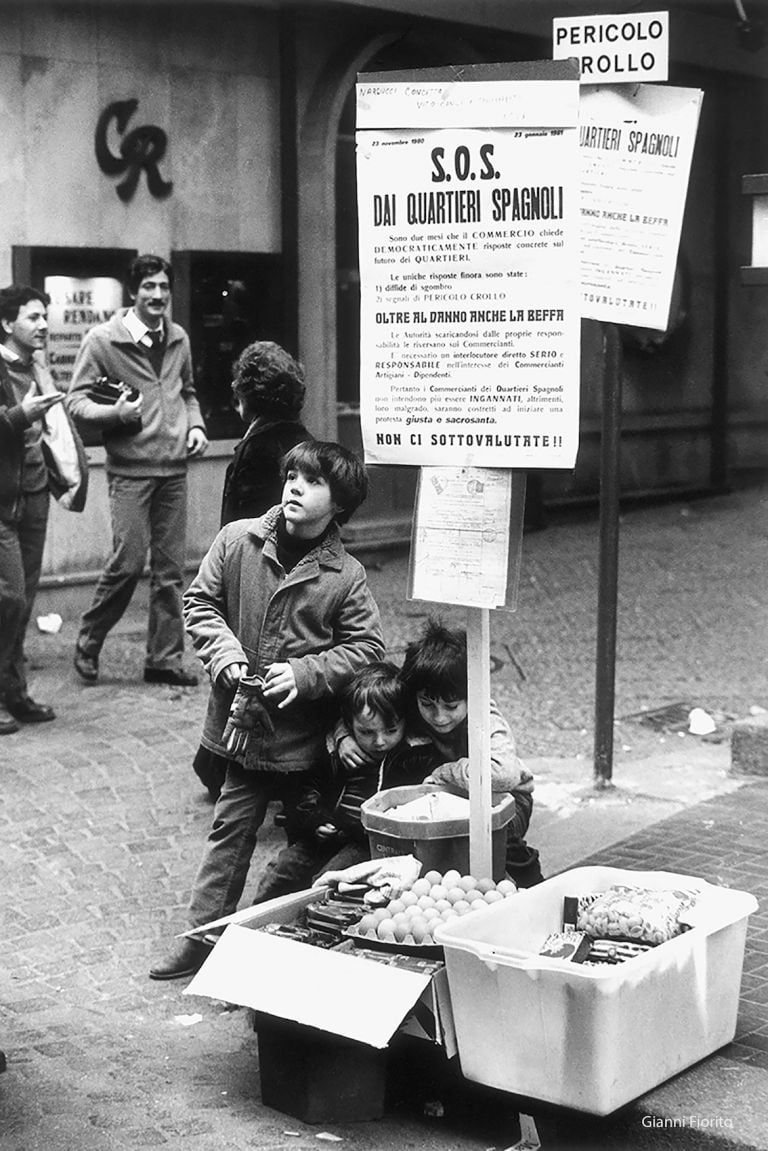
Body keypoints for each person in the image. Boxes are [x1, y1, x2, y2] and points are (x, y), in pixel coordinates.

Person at [149, 440, 385, 979]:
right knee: (229, 833)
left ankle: (279, 946)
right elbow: (200, 602)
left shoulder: (345, 576)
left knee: (309, 848)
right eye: (293, 475)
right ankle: (201, 937)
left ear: (340, 505)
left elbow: (368, 648)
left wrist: (303, 675)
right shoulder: (238, 539)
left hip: (310, 743)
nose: (296, 486)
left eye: (313, 481)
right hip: (246, 731)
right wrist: (226, 655)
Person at [67, 254, 208, 687]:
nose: (158, 295)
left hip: (174, 470)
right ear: (133, 292)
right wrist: (115, 413)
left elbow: (187, 392)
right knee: (126, 565)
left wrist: (197, 425)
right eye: (149, 287)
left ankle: (163, 660)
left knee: (170, 574)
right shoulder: (103, 340)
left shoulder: (179, 337)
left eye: (164, 287)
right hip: (129, 471)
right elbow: (76, 401)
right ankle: (89, 642)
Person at [339, 617, 543, 887]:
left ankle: (533, 885)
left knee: (495, 839)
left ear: (473, 693)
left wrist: (445, 773)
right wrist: (343, 736)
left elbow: (504, 775)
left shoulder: (484, 713)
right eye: (428, 704)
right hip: (447, 794)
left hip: (506, 798)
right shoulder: (413, 697)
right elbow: (362, 703)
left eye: (451, 706)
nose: (440, 717)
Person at [193, 340, 312, 800]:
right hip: (293, 568)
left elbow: (237, 523)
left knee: (239, 664)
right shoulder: (300, 439)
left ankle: (226, 763)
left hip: (257, 569)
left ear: (247, 396)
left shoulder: (257, 447)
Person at [0, 286, 88, 735]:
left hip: (34, 497)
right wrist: (19, 414)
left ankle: (15, 693)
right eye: (33, 317)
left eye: (44, 317)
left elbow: (55, 430)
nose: (43, 326)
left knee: (24, 600)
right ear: (6, 323)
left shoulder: (38, 367)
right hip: (1, 504)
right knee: (8, 599)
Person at [251, 661, 407, 903]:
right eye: (367, 732)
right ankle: (256, 927)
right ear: (348, 723)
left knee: (326, 881)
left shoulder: (407, 758)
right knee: (281, 870)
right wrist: (316, 819)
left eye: (390, 730)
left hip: (365, 845)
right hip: (324, 836)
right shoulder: (337, 751)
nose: (379, 741)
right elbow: (307, 788)